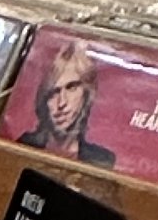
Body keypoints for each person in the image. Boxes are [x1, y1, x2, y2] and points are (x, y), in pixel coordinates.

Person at [17, 37, 115, 166]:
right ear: (43, 98)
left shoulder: (102, 160)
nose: (62, 103)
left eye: (72, 87)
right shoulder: (22, 145)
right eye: (54, 92)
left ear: (86, 94)